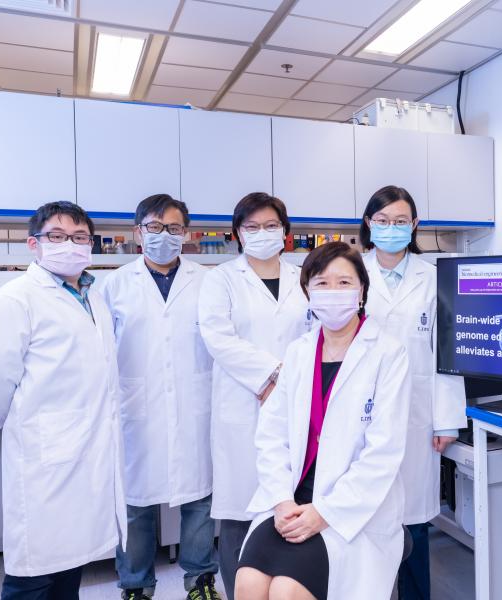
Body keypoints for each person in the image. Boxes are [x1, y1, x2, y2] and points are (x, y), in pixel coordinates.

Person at [235, 241, 412, 600]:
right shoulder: (299, 352)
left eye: (344, 283)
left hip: (351, 509)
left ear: (362, 292)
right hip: (290, 499)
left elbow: (383, 453)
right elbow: (270, 436)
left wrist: (325, 512)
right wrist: (282, 500)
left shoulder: (388, 353)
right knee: (249, 584)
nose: (333, 292)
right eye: (321, 283)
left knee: (286, 591)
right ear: (307, 292)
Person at [0, 201, 126, 599]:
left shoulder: (94, 295)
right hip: (44, 455)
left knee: (68, 568)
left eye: (79, 237)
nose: (69, 245)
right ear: (33, 245)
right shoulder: (15, 299)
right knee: (33, 576)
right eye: (56, 237)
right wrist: (32, 425)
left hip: (86, 450)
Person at [99, 194, 220, 600]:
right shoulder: (112, 286)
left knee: (199, 501)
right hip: (136, 408)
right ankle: (135, 585)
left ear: (185, 234)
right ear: (137, 233)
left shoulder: (207, 281)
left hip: (195, 404)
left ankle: (200, 581)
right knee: (136, 507)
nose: (164, 235)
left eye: (173, 227)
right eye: (154, 227)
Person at [198, 192, 313, 599]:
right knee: (238, 514)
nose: (262, 233)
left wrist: (290, 380)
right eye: (252, 227)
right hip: (244, 404)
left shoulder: (304, 276)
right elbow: (217, 337)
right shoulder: (221, 279)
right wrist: (273, 374)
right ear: (237, 234)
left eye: (270, 226)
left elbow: (317, 335)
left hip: (298, 403)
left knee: (288, 506)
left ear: (285, 233)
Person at [359, 185, 467, 600]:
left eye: (400, 221)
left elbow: (447, 352)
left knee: (413, 519)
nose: (391, 228)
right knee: (367, 515)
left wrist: (448, 419)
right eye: (382, 221)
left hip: (418, 412)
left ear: (415, 225)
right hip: (362, 409)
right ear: (369, 224)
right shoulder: (351, 270)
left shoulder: (434, 276)